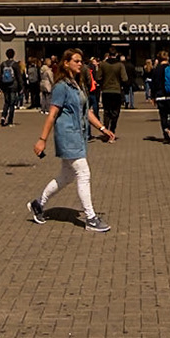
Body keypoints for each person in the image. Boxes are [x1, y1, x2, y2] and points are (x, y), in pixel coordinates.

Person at [28, 48, 113, 231]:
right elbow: (52, 114)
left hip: (79, 135)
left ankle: (38, 204)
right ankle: (90, 218)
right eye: (76, 60)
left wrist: (103, 128)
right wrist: (42, 139)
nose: (80, 63)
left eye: (81, 61)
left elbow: (87, 112)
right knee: (84, 174)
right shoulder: (61, 87)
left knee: (66, 176)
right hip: (68, 135)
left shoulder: (77, 84)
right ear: (66, 63)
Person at [94, 50, 125, 134]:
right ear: (116, 54)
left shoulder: (103, 65)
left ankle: (106, 129)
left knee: (106, 111)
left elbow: (98, 77)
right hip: (116, 90)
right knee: (115, 111)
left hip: (106, 90)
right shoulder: (120, 65)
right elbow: (124, 78)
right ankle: (112, 129)